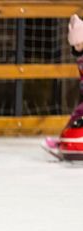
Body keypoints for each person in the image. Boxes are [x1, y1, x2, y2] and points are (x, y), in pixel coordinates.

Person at [42, 14, 83, 161]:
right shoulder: (79, 57)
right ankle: (63, 140)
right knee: (75, 117)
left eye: (80, 43)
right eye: (75, 44)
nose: (77, 47)